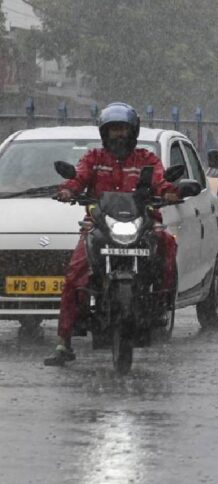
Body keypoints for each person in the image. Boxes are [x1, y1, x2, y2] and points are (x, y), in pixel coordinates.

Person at [44, 103, 180, 366]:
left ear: (133, 132)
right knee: (75, 273)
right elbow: (78, 177)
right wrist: (68, 190)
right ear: (104, 134)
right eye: (113, 130)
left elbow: (161, 181)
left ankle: (160, 304)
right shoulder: (94, 158)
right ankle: (63, 343)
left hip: (141, 224)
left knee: (167, 244)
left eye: (123, 129)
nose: (119, 135)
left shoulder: (146, 160)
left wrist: (169, 192)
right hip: (99, 225)